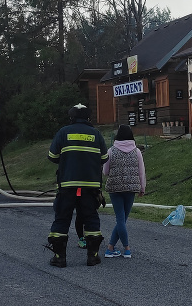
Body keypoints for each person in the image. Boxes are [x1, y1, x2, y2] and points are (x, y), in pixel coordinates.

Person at [44, 103, 108, 267]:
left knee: (62, 218)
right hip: (90, 186)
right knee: (91, 218)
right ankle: (92, 256)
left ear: (71, 117)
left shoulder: (63, 132)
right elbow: (104, 158)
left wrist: (68, 159)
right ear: (89, 118)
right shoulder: (96, 134)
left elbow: (52, 156)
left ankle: (60, 257)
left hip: (67, 184)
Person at [103, 125, 146, 259]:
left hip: (115, 188)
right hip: (131, 189)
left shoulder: (111, 151)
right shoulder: (137, 151)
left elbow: (105, 171)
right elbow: (141, 171)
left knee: (120, 219)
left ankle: (112, 248)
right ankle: (125, 248)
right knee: (123, 219)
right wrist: (142, 187)